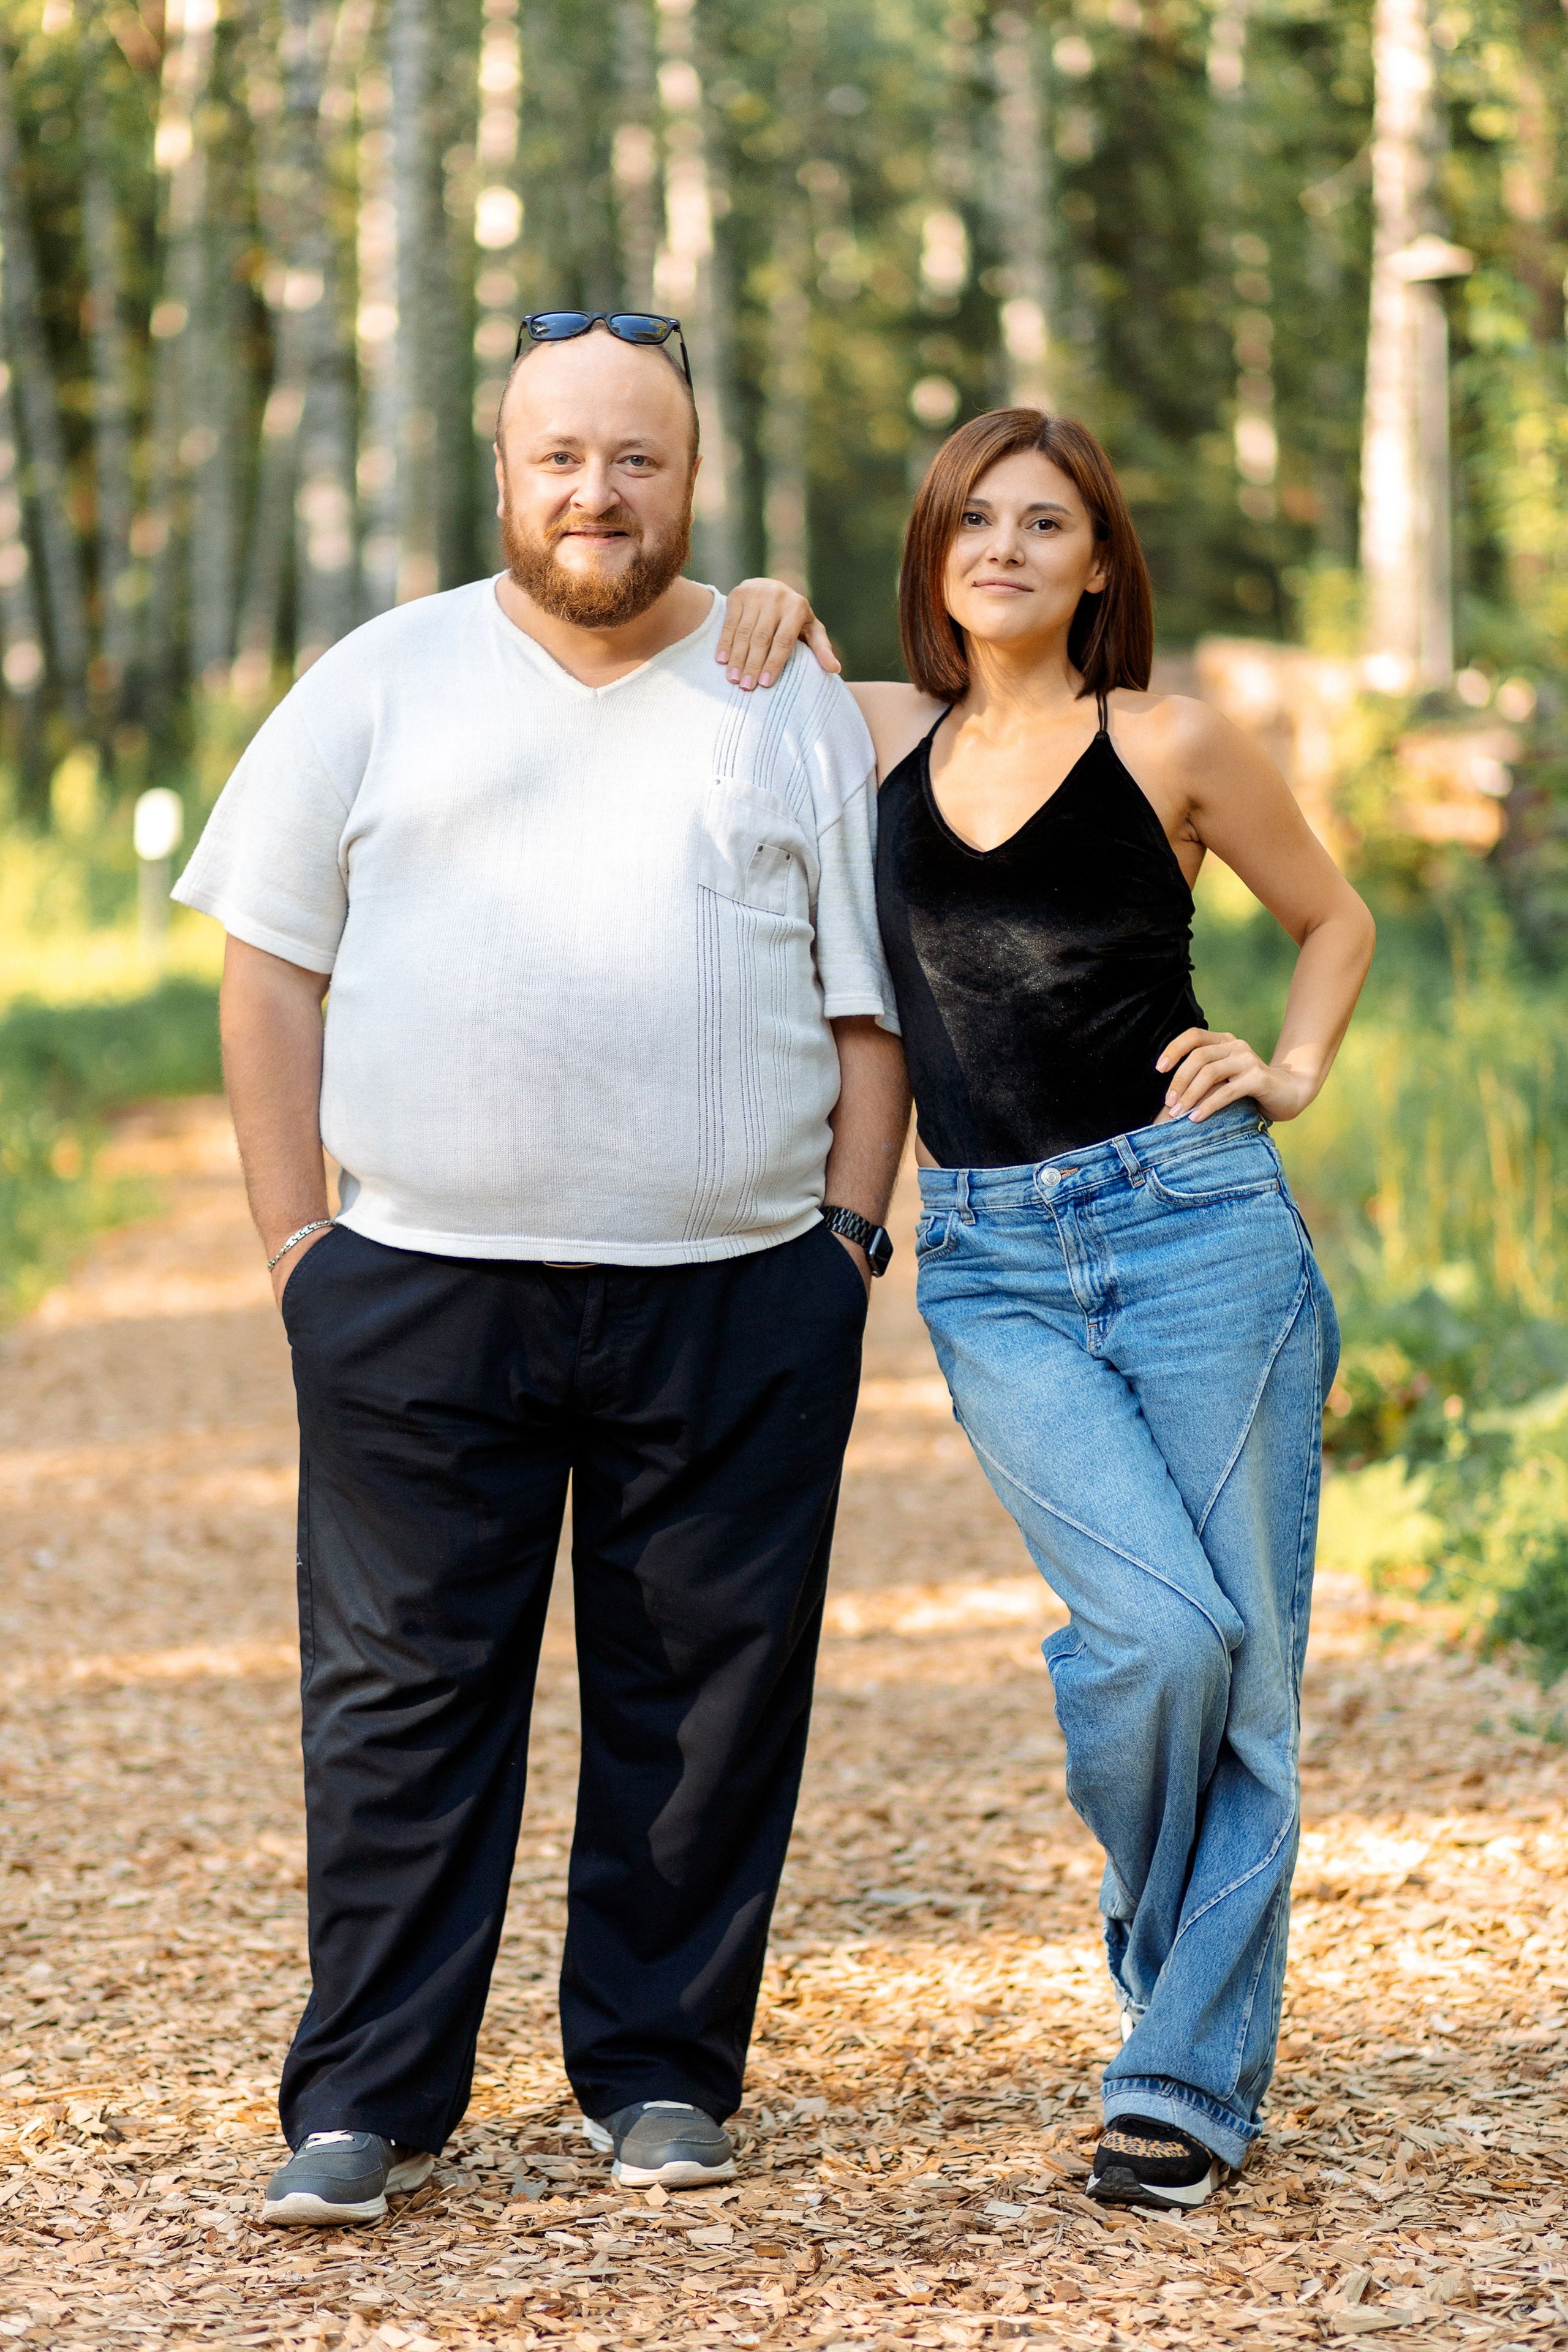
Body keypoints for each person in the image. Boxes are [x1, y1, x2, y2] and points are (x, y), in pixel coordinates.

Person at [173, 310, 910, 2225]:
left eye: (639, 458)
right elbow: (269, 967)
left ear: (693, 480)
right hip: (422, 1289)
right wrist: (297, 1248)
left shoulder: (781, 693)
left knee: (709, 1709)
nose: (600, 492)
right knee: (398, 1704)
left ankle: (661, 2074)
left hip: (738, 1292)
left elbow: (870, 1005)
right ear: (502, 472)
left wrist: (845, 1243)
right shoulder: (379, 678)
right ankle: (366, 2097)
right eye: (563, 456)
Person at [747, 405, 1374, 2211]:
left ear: (1100, 561)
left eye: (1044, 523)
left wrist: (1292, 1071)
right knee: (1157, 1643)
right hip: (996, 1262)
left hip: (1199, 1232)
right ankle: (1178, 1960)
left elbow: (1333, 922)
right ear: (934, 556)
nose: (1004, 550)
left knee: (1244, 1674)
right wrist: (765, 595)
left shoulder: (1174, 740)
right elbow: (724, 639)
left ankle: (1178, 2074)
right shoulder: (879, 733)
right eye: (973, 522)